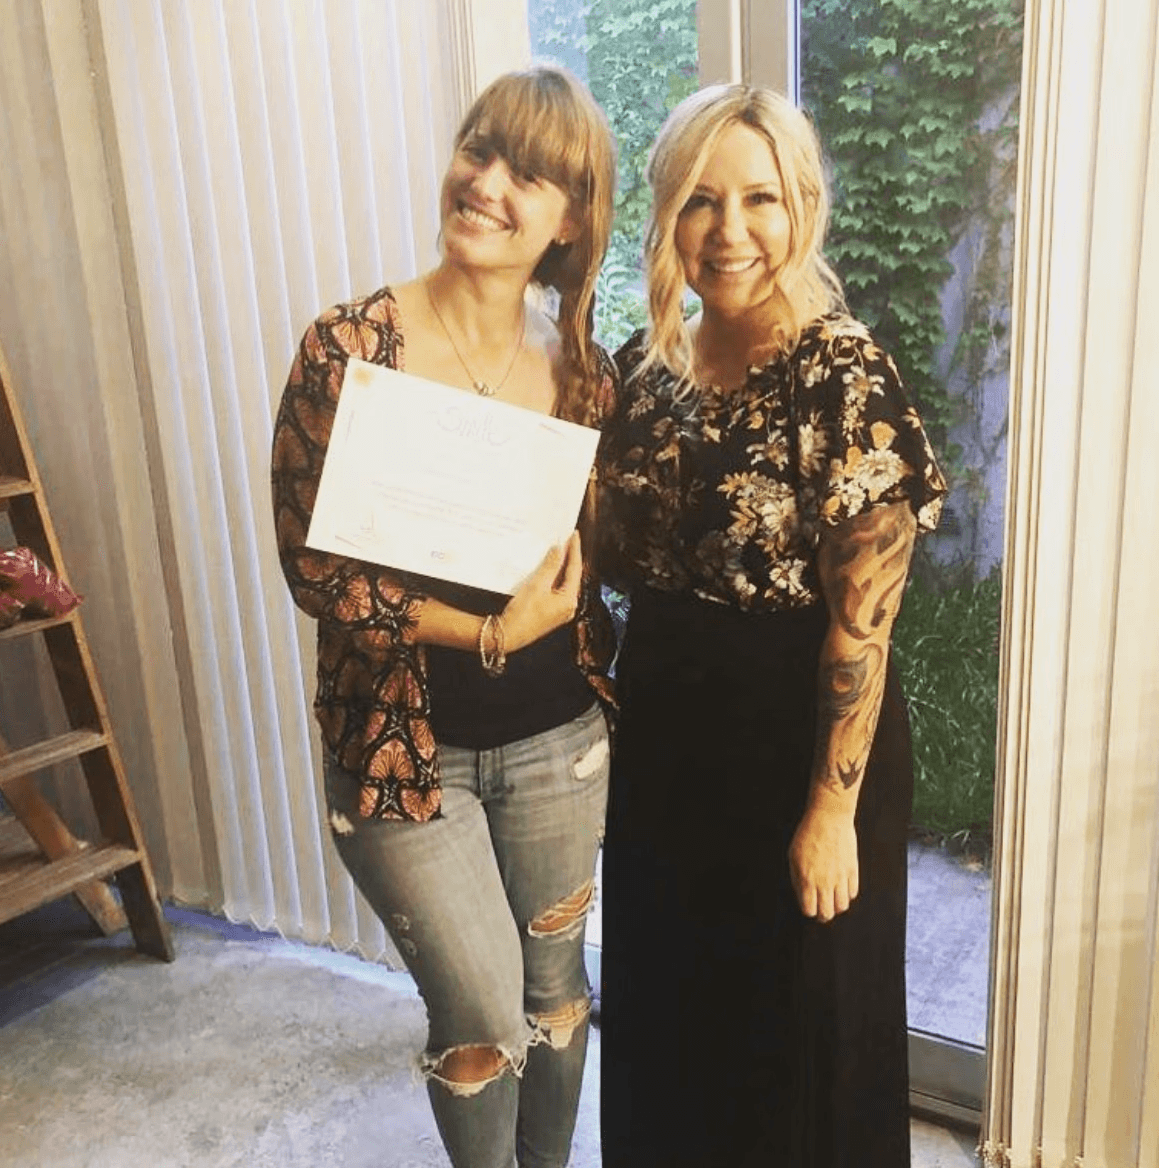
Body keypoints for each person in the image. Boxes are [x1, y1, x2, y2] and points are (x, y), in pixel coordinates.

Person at [271, 67, 617, 1168]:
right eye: (479, 149)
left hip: (558, 740)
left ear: (569, 223)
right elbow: (313, 567)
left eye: (528, 174)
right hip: (398, 753)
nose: (487, 183)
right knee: (479, 1010)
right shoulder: (350, 349)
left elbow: (587, 557)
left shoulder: (584, 373)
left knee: (556, 994)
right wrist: (484, 632)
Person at [596, 83, 947, 1168]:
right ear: (666, 213)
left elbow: (861, 629)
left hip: (799, 744)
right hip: (664, 737)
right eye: (701, 200)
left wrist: (830, 814)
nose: (729, 230)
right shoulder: (645, 367)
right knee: (669, 1015)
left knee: (798, 1034)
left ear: (802, 208)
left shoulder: (841, 373)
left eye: (759, 198)